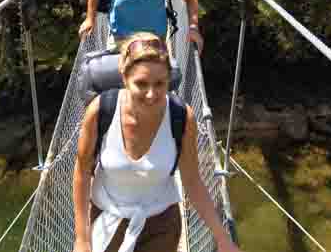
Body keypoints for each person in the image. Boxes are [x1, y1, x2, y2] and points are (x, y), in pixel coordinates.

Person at [72, 32, 243, 252]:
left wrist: (222, 239)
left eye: (160, 84)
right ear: (124, 77)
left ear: (169, 80)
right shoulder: (101, 110)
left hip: (161, 226)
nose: (151, 94)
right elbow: (82, 172)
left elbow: (192, 181)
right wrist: (82, 238)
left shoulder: (181, 116)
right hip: (107, 221)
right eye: (141, 84)